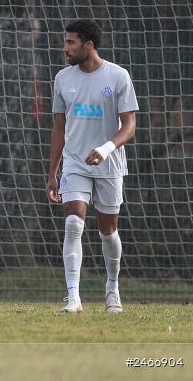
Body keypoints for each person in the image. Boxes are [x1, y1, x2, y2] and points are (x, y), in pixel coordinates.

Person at [47, 20, 138, 314]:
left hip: (109, 165)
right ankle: (73, 297)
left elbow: (130, 126)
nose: (65, 48)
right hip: (75, 163)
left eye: (71, 42)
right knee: (73, 222)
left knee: (108, 231)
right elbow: (59, 127)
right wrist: (52, 173)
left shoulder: (118, 76)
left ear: (88, 45)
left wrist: (105, 149)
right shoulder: (62, 78)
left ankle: (112, 287)